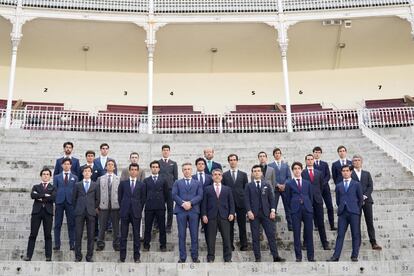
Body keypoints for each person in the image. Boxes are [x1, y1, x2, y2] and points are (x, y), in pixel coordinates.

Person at [244, 165, 285, 263]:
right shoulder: (248, 186)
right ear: (252, 173)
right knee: (255, 236)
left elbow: (271, 198)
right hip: (254, 214)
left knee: (271, 235)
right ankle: (257, 257)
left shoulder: (267, 184)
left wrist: (273, 210)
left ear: (261, 173)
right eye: (255, 171)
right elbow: (246, 199)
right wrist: (249, 211)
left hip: (267, 214)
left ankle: (275, 256)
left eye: (258, 171)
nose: (257, 172)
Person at [328, 164, 363, 262]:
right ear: (341, 172)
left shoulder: (356, 184)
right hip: (343, 213)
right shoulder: (338, 185)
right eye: (343, 171)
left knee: (355, 234)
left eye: (347, 170)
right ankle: (336, 256)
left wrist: (356, 209)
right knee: (340, 235)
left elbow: (360, 199)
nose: (345, 172)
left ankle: (354, 255)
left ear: (351, 172)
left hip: (354, 212)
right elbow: (338, 200)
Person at [172, 163, 203, 263]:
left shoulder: (197, 183)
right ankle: (182, 257)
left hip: (193, 211)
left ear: (192, 170)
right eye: (185, 169)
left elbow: (200, 195)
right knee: (182, 235)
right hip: (181, 211)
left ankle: (195, 256)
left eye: (189, 169)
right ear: (182, 171)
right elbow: (174, 195)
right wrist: (182, 203)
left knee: (194, 234)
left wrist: (190, 203)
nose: (187, 171)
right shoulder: (177, 182)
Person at [201, 169, 235, 262]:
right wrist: (204, 215)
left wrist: (232, 213)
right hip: (211, 216)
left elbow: (231, 203)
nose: (217, 176)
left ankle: (227, 257)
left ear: (221, 176)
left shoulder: (227, 189)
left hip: (224, 216)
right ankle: (211, 257)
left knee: (226, 238)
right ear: (212, 177)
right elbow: (204, 203)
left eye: (219, 174)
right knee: (211, 238)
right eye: (215, 174)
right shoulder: (207, 189)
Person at [23, 168, 56, 262]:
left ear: (50, 176)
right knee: (33, 234)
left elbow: (53, 197)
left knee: (48, 235)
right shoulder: (35, 186)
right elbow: (32, 195)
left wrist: (40, 196)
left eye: (47, 174)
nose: (45, 176)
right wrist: (46, 195)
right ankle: (29, 256)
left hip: (48, 213)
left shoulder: (53, 187)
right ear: (41, 176)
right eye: (44, 174)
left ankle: (48, 256)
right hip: (37, 212)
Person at [351, 154, 382, 250]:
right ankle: (357, 243)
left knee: (369, 222)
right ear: (352, 163)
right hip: (355, 202)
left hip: (367, 201)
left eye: (358, 160)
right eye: (355, 160)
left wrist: (364, 196)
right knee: (356, 223)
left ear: (361, 162)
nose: (356, 162)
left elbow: (370, 186)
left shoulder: (367, 173)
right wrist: (358, 197)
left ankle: (373, 242)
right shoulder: (350, 174)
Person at [286, 161, 314, 262]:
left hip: (307, 210)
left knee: (309, 233)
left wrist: (308, 206)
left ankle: (311, 256)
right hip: (295, 210)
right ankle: (298, 256)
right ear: (292, 171)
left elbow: (310, 197)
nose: (297, 170)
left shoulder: (307, 183)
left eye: (299, 168)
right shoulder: (289, 183)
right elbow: (287, 198)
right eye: (295, 169)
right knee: (296, 234)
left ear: (302, 170)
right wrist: (293, 207)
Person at [302, 154, 330, 250]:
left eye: (311, 159)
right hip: (307, 200)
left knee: (321, 222)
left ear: (314, 160)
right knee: (307, 222)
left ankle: (325, 243)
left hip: (318, 200)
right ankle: (305, 243)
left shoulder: (319, 173)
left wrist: (317, 194)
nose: (310, 161)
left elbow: (321, 186)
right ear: (305, 161)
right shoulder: (302, 173)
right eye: (308, 159)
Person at [222, 154, 249, 251]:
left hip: (241, 204)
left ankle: (244, 244)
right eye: (231, 160)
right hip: (229, 204)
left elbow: (246, 190)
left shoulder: (243, 174)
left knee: (242, 225)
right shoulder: (224, 175)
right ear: (228, 162)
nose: (232, 161)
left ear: (237, 161)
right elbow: (223, 190)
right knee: (229, 226)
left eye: (234, 160)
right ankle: (230, 245)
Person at [118, 163, 144, 263]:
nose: (133, 171)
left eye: (135, 170)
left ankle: (136, 257)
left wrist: (138, 208)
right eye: (132, 169)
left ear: (138, 172)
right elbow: (120, 197)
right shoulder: (123, 183)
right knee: (123, 236)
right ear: (129, 171)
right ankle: (122, 257)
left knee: (136, 236)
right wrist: (123, 207)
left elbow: (143, 199)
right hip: (124, 212)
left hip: (136, 213)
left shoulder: (141, 185)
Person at [73, 166, 99, 262]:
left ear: (91, 173)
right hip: (79, 212)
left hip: (91, 212)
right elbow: (73, 199)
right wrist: (78, 207)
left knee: (91, 235)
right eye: (85, 171)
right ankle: (78, 256)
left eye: (89, 171)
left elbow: (97, 199)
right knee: (78, 234)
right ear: (83, 173)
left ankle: (89, 256)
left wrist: (92, 207)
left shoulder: (95, 185)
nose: (87, 173)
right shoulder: (77, 185)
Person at [142, 161, 169, 252]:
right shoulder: (146, 180)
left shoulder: (163, 180)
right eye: (153, 167)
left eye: (156, 167)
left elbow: (166, 194)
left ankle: (163, 245)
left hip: (160, 207)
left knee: (162, 227)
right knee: (148, 227)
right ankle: (146, 245)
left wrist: (162, 201)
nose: (155, 168)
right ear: (151, 168)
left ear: (159, 169)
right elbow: (143, 194)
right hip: (149, 207)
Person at [53, 158, 77, 251]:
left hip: (70, 202)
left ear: (71, 165)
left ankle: (72, 244)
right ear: (62, 165)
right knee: (57, 224)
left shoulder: (74, 177)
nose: (66, 165)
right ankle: (57, 244)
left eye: (68, 164)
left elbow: (75, 191)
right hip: (59, 202)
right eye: (65, 164)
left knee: (71, 224)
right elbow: (54, 190)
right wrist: (55, 202)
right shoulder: (57, 177)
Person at [96, 160, 120, 251]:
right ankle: (100, 243)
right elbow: (97, 192)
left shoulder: (118, 179)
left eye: (112, 165)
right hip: (103, 205)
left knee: (116, 226)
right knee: (102, 226)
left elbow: (120, 193)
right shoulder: (100, 178)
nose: (110, 166)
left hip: (115, 205)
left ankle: (116, 243)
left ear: (114, 167)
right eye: (108, 165)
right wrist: (97, 205)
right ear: (105, 167)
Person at [268, 148, 293, 231]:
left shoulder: (285, 165)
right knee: (273, 207)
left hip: (285, 189)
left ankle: (290, 225)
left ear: (281, 154)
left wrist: (285, 184)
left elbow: (289, 177)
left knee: (287, 207)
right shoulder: (270, 166)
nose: (277, 154)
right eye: (276, 153)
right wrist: (277, 184)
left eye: (279, 153)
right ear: (274, 155)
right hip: (275, 189)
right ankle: (272, 226)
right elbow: (270, 178)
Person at [313, 146, 336, 230]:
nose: (317, 154)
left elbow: (328, 175)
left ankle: (332, 225)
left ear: (321, 154)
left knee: (329, 206)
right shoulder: (311, 164)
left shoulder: (324, 164)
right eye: (315, 152)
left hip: (325, 187)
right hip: (316, 189)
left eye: (319, 152)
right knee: (316, 207)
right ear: (313, 153)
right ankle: (316, 225)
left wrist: (323, 183)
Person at [159, 145, 178, 233]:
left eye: (167, 150)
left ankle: (169, 226)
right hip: (160, 189)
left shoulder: (173, 163)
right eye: (164, 150)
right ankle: (158, 225)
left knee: (170, 208)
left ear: (169, 152)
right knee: (160, 208)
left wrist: (175, 189)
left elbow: (175, 177)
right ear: (162, 151)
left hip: (170, 189)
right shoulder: (158, 163)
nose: (166, 151)